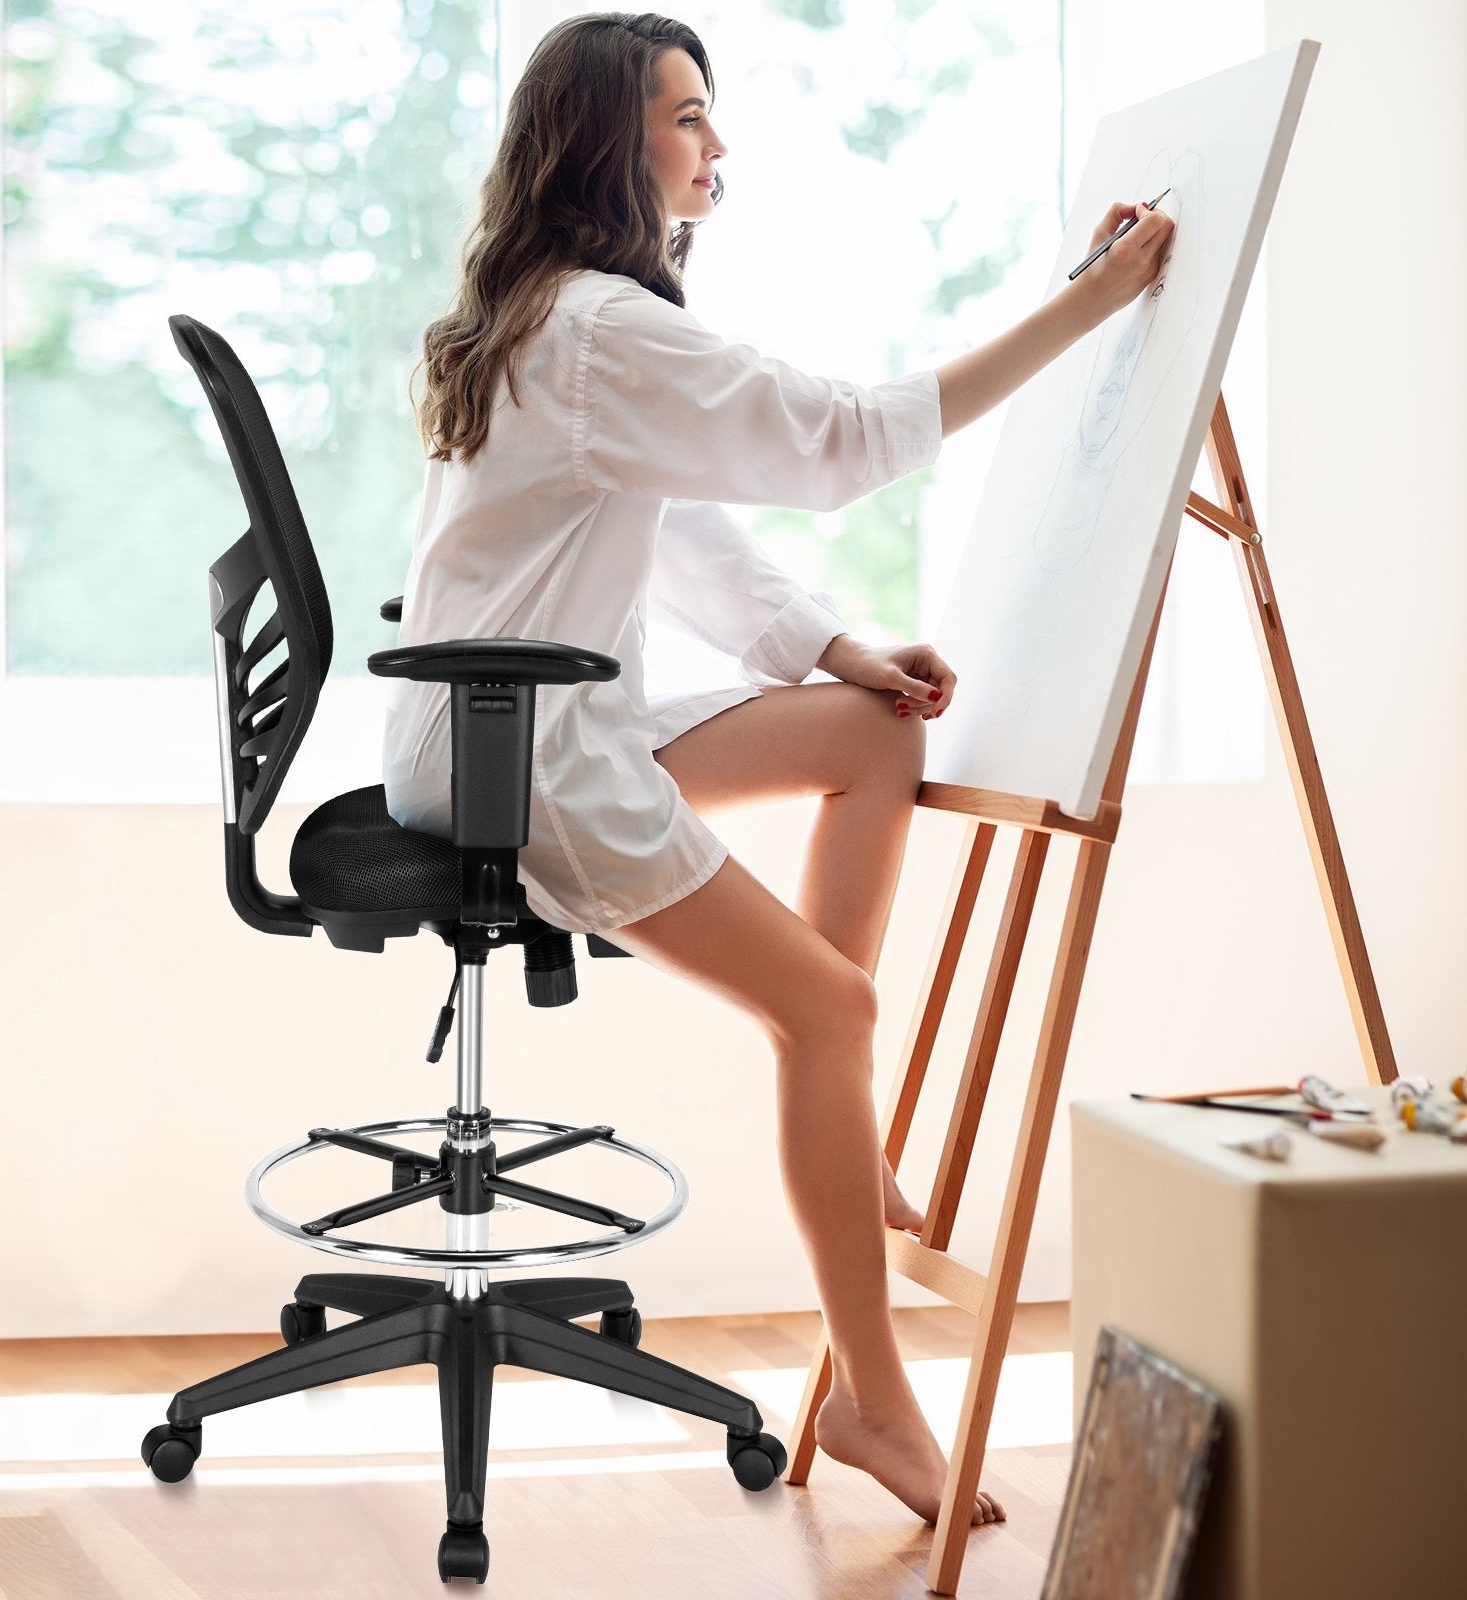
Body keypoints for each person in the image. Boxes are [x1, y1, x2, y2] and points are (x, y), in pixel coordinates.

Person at [385, 11, 1174, 1529]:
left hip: (523, 716)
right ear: (612, 146)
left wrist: (831, 651)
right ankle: (880, 1399)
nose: (714, 146)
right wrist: (1089, 304)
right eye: (687, 119)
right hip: (519, 746)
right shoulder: (604, 329)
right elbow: (841, 442)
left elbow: (676, 532)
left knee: (877, 731)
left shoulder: (563, 317)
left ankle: (840, 1092)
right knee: (832, 1003)